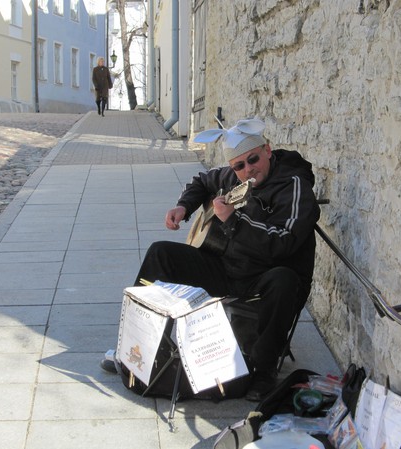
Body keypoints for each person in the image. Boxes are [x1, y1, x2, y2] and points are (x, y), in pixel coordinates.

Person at [105, 118, 320, 401]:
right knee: (161, 253)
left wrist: (234, 220)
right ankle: (136, 345)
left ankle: (264, 371)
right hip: (227, 267)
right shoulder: (234, 177)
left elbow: (283, 243)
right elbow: (203, 181)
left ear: (267, 149)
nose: (247, 170)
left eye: (252, 159)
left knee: (283, 280)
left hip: (265, 278)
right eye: (239, 166)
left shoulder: (293, 186)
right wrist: (184, 206)